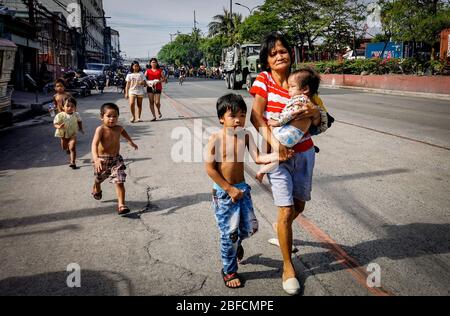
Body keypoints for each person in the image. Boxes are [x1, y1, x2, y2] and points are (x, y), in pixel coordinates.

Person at [249, 32, 327, 295]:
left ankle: (281, 229)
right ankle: (287, 266)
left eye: (283, 51)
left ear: (291, 54)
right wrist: (275, 143)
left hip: (304, 154)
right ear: (267, 61)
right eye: (273, 53)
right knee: (284, 212)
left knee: (299, 205)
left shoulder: (301, 80)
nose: (279, 56)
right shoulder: (264, 80)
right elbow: (255, 116)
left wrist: (315, 113)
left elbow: (324, 119)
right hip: (278, 156)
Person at [205, 93, 281, 289]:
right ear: (221, 118)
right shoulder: (215, 139)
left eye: (242, 115)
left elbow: (257, 157)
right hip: (224, 192)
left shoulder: (245, 135)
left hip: (242, 190)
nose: (238, 120)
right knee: (228, 235)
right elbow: (210, 169)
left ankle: (237, 244)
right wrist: (229, 189)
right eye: (233, 116)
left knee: (248, 228)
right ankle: (229, 271)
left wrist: (278, 154)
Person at [256, 67, 329, 183]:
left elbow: (290, 113)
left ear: (305, 89)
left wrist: (278, 122)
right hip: (294, 137)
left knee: (275, 143)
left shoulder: (300, 100)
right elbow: (323, 121)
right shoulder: (311, 103)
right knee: (281, 156)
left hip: (288, 135)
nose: (288, 90)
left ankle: (262, 160)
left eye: (292, 87)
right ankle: (263, 170)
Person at [91, 103, 138, 216]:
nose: (112, 119)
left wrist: (130, 141)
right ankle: (96, 187)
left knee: (119, 181)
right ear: (102, 117)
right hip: (102, 160)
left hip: (116, 159)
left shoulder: (119, 128)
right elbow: (94, 144)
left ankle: (121, 205)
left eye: (115, 116)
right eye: (109, 116)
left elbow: (123, 132)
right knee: (99, 179)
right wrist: (96, 159)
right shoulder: (100, 129)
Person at [53, 97, 84, 169]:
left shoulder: (76, 114)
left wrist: (81, 128)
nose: (70, 108)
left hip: (72, 133)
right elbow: (55, 123)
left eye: (72, 106)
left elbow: (79, 121)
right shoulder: (60, 115)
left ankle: (73, 162)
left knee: (72, 148)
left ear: (75, 107)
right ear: (63, 107)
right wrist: (59, 126)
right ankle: (67, 149)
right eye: (67, 106)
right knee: (64, 147)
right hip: (63, 134)